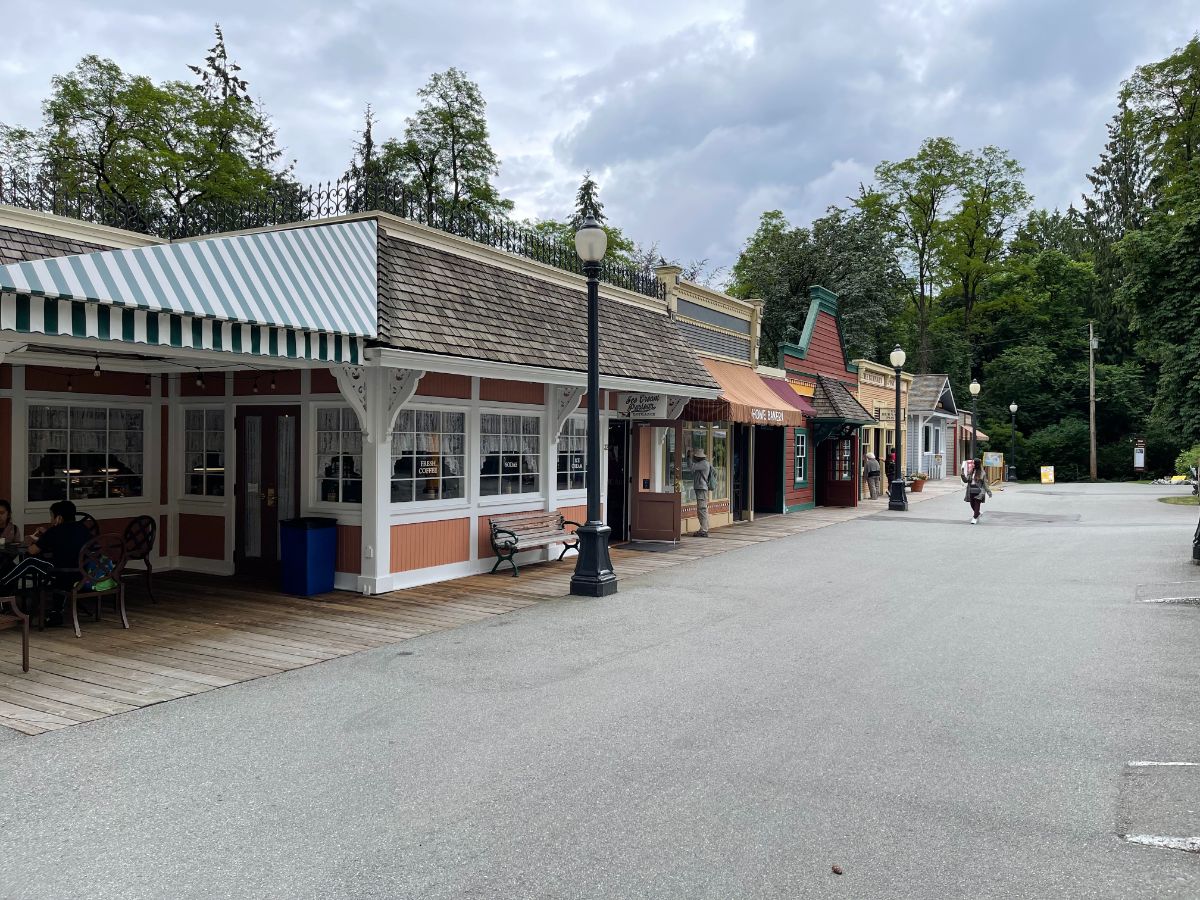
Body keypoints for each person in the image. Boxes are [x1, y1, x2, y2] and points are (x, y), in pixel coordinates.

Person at [0, 501, 93, 616]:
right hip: (82, 573)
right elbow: (73, 543)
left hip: (61, 572)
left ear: (59, 518)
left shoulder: (55, 531)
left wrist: (34, 539)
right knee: (40, 562)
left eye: (52, 517)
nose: (51, 520)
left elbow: (32, 551)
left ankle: (3, 584)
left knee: (30, 562)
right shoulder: (83, 529)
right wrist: (47, 535)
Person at [961, 456, 993, 524]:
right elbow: (966, 481)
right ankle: (978, 513)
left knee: (977, 504)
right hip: (971, 490)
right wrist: (963, 475)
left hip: (979, 491)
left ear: (976, 464)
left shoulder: (982, 473)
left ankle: (974, 518)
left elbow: (985, 483)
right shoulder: (971, 471)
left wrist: (988, 492)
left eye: (973, 463)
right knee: (972, 504)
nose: (972, 464)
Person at [690, 448, 713, 537]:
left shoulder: (703, 464)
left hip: (701, 488)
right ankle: (704, 528)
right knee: (703, 509)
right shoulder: (703, 463)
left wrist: (689, 457)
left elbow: (691, 467)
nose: (694, 458)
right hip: (701, 488)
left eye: (695, 457)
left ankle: (703, 530)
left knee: (702, 509)